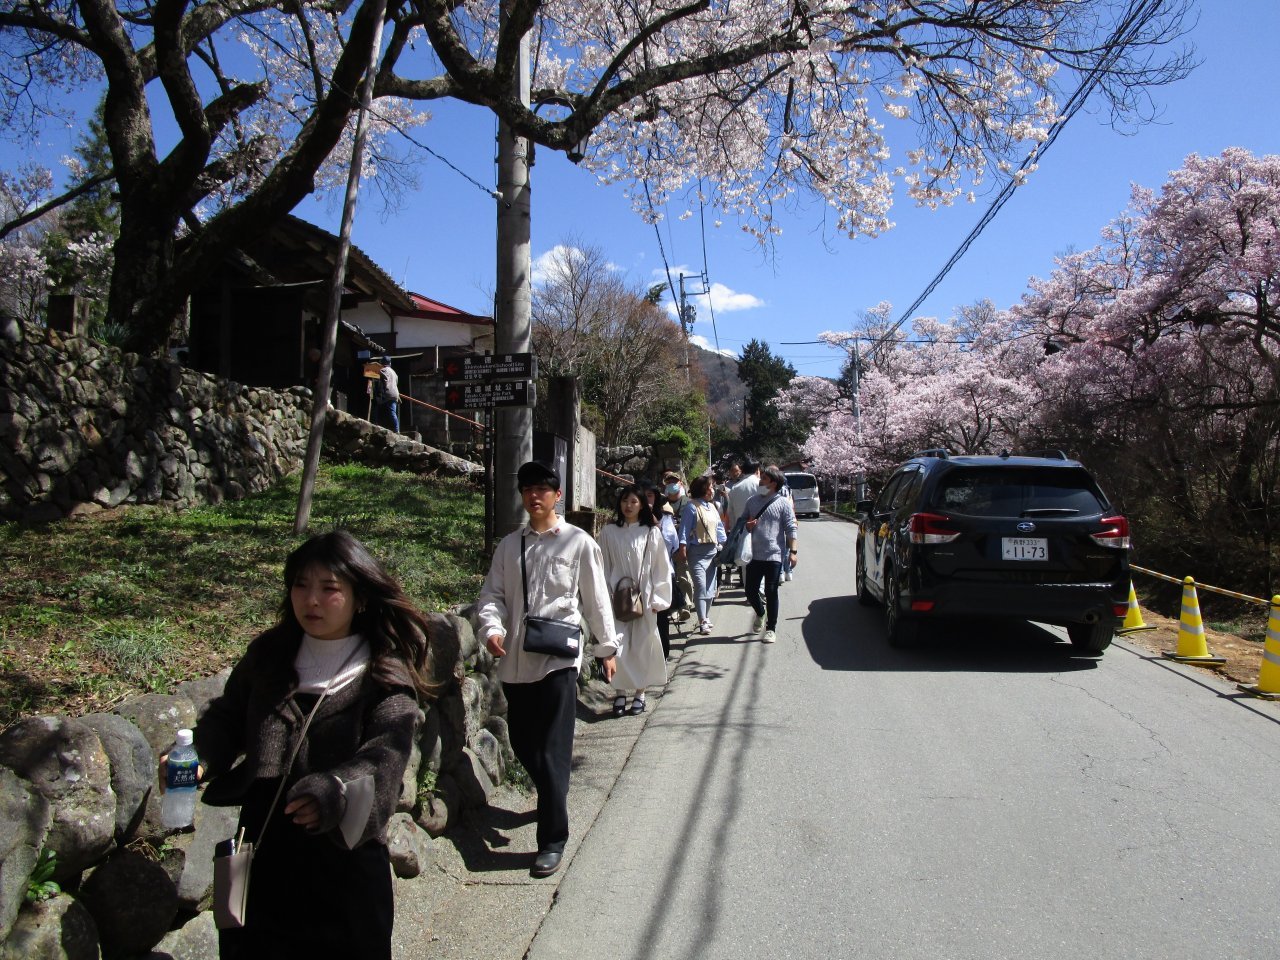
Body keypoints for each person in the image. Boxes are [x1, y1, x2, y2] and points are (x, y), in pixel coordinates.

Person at [182, 530, 435, 960]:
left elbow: (385, 757)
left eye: (329, 588)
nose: (311, 599)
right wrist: (201, 755)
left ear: (360, 597)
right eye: (300, 584)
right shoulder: (269, 655)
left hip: (344, 862)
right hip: (263, 852)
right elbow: (228, 715)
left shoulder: (383, 672)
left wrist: (335, 788)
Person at [476, 460, 620, 878]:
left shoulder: (578, 543)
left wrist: (606, 647)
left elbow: (595, 599)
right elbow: (492, 595)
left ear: (558, 495)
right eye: (527, 490)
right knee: (523, 742)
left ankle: (552, 839)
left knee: (553, 749)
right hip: (517, 659)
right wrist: (491, 627)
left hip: (560, 658)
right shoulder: (509, 545)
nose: (534, 496)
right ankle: (553, 793)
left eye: (542, 489)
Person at [597, 486, 673, 716]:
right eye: (624, 501)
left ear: (642, 505)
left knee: (642, 644)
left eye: (633, 501)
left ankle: (640, 692)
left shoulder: (651, 532)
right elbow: (603, 565)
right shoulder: (609, 532)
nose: (628, 506)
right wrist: (603, 592)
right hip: (616, 595)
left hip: (645, 596)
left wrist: (659, 597)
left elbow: (661, 567)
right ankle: (620, 692)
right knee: (617, 645)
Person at [742, 465, 799, 644]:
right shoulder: (751, 501)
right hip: (754, 554)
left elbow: (791, 527)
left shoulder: (783, 503)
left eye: (764, 479)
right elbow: (742, 521)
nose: (760, 481)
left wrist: (793, 552)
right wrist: (747, 525)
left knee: (771, 590)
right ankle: (760, 612)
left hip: (775, 554)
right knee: (750, 590)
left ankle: (771, 628)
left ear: (773, 483)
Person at [678, 474, 727, 635]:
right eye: (710, 487)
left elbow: (719, 528)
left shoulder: (712, 507)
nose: (713, 490)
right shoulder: (691, 507)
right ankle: (702, 621)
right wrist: (683, 547)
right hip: (696, 553)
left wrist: (725, 545)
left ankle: (706, 616)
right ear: (703, 489)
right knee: (700, 586)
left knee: (710, 588)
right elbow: (684, 529)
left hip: (712, 552)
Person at [641, 481, 681, 658]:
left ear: (656, 498)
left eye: (649, 495)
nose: (645, 499)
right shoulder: (628, 521)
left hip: (660, 573)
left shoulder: (664, 518)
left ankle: (663, 654)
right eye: (642, 495)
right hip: (637, 575)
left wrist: (652, 519)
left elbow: (671, 544)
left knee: (661, 616)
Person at [662, 470, 694, 623]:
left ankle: (686, 605)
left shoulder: (687, 502)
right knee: (668, 578)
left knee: (683, 575)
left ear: (680, 483)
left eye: (674, 482)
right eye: (668, 482)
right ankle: (673, 608)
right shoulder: (661, 503)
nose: (671, 485)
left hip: (682, 544)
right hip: (664, 546)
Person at [377, 356, 400, 432]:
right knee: (392, 412)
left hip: (387, 393)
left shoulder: (383, 370)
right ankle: (396, 429)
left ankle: (394, 429)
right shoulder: (394, 372)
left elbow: (381, 382)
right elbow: (396, 382)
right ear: (389, 363)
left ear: (382, 363)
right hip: (395, 393)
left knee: (381, 409)